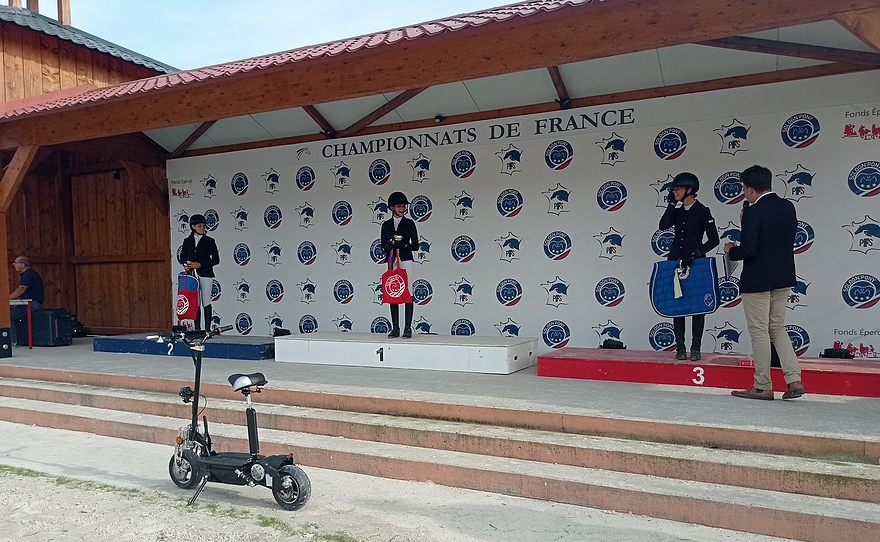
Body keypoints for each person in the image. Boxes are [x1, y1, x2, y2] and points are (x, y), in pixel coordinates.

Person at [724, 165, 804, 401]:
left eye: (744, 189)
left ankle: (762, 385)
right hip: (784, 275)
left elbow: (748, 250)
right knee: (777, 328)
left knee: (759, 331)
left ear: (748, 189)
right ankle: (794, 379)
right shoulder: (787, 206)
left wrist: (731, 250)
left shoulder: (753, 211)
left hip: (758, 278)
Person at [658, 172, 719, 361]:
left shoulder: (702, 211)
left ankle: (695, 347)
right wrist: (670, 205)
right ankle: (680, 347)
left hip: (696, 262)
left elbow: (714, 239)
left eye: (677, 188)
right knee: (678, 303)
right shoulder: (676, 211)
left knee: (697, 305)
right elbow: (663, 225)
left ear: (689, 190)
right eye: (673, 189)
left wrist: (696, 253)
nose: (673, 191)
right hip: (675, 260)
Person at [381, 192, 418, 338]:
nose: (402, 208)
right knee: (392, 291)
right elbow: (382, 245)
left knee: (407, 292)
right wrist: (390, 246)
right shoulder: (386, 225)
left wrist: (403, 245)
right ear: (392, 208)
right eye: (399, 206)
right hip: (391, 260)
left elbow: (416, 246)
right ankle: (395, 327)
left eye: (403, 206)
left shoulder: (409, 224)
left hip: (405, 259)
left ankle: (407, 327)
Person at [179, 214, 219, 330]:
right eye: (200, 226)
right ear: (193, 226)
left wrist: (200, 264)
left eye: (204, 225)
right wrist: (186, 265)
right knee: (195, 301)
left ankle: (207, 329)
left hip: (206, 273)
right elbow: (182, 257)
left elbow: (216, 260)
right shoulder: (187, 241)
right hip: (192, 274)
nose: (202, 228)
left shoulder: (210, 241)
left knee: (206, 300)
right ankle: (197, 328)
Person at [9, 256, 44, 345]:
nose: (14, 264)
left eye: (16, 262)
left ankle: (12, 340)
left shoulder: (28, 274)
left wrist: (7, 298)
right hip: (30, 302)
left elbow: (21, 289)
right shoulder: (29, 274)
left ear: (23, 265)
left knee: (6, 315)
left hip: (33, 304)